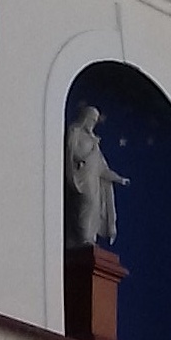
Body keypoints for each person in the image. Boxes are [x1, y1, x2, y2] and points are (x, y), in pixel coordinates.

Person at [64, 104, 129, 249]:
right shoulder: (75, 132)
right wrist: (81, 158)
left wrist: (118, 179)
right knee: (84, 205)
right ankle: (81, 241)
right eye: (91, 119)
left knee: (94, 207)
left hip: (93, 183)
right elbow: (71, 153)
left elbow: (101, 168)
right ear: (85, 118)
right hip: (80, 180)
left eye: (95, 121)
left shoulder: (94, 141)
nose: (92, 123)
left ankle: (88, 240)